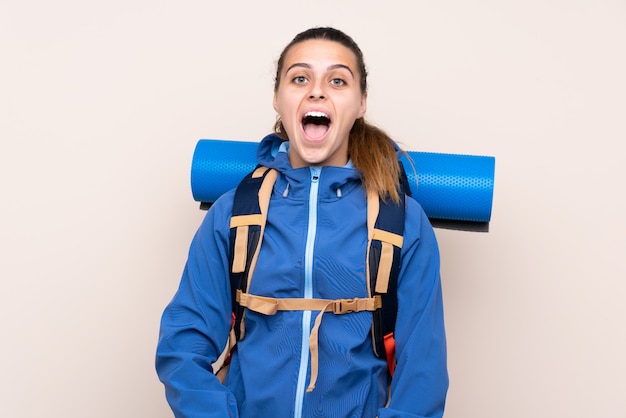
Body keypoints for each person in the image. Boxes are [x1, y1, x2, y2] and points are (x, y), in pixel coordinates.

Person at [156, 27, 448, 418]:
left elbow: (423, 374)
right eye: (300, 78)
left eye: (337, 80)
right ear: (278, 98)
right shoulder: (233, 214)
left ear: (361, 103)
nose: (317, 91)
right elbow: (182, 345)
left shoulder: (403, 222)